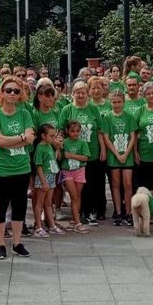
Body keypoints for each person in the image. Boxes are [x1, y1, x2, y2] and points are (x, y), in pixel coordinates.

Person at [0, 75, 36, 260]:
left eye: (16, 91)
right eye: (9, 90)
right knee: (0, 207)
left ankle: (17, 243)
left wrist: (15, 141)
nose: (13, 94)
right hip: (0, 170)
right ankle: (0, 244)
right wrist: (21, 138)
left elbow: (31, 137)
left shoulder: (25, 114)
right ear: (2, 93)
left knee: (20, 207)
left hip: (21, 169)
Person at [59, 81, 103, 226]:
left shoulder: (93, 109)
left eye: (83, 92)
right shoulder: (67, 109)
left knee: (91, 184)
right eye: (77, 92)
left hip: (92, 152)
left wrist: (103, 149)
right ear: (73, 94)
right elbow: (61, 131)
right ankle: (79, 213)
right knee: (77, 186)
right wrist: (60, 148)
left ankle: (91, 211)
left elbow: (100, 131)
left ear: (87, 93)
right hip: (73, 155)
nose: (80, 95)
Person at [101, 89, 138, 226]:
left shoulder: (129, 116)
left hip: (126, 156)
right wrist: (117, 154)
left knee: (127, 184)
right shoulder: (107, 118)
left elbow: (133, 136)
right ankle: (118, 211)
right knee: (115, 184)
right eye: (114, 102)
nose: (117, 105)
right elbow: (106, 138)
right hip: (114, 155)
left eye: (119, 102)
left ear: (124, 102)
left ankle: (128, 212)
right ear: (111, 102)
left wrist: (126, 154)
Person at [132, 81, 153, 210]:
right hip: (145, 153)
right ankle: (150, 209)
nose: (151, 96)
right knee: (149, 184)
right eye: (148, 94)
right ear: (144, 96)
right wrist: (135, 151)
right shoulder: (140, 111)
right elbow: (134, 133)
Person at [32, 123, 63, 237]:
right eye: (51, 136)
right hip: (43, 177)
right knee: (39, 203)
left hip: (51, 176)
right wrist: (43, 181)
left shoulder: (49, 146)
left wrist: (58, 149)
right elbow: (38, 165)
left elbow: (53, 159)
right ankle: (39, 227)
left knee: (49, 203)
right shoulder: (40, 147)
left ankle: (52, 225)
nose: (53, 138)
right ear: (43, 136)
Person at [61, 120, 91, 232]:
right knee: (74, 197)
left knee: (77, 197)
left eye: (77, 131)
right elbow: (60, 156)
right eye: (72, 131)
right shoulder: (64, 142)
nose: (75, 133)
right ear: (67, 131)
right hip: (68, 171)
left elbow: (86, 158)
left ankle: (75, 219)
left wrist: (71, 155)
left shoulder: (83, 143)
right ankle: (78, 223)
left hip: (79, 170)